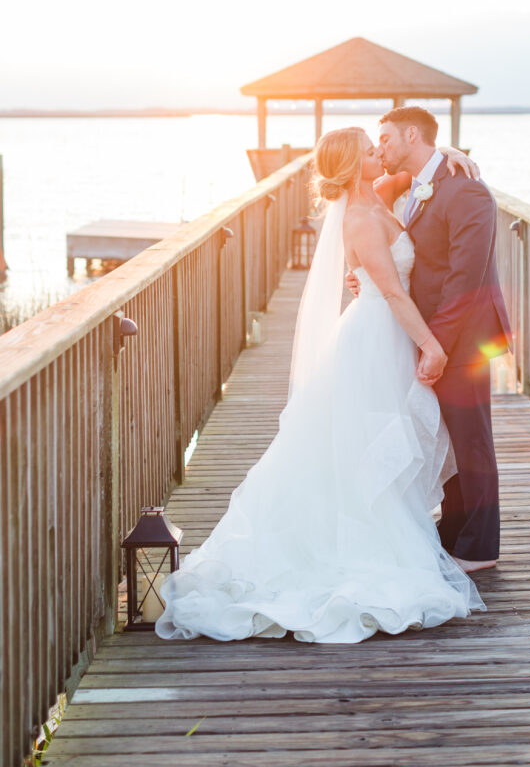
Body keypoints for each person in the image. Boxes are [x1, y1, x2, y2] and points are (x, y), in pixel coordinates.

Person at [155, 126, 485, 644]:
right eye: (371, 150)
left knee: (376, 440)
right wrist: (433, 346)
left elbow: (415, 170)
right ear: (355, 164)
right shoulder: (359, 218)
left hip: (385, 336)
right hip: (376, 337)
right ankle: (359, 542)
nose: (381, 153)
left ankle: (385, 522)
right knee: (361, 442)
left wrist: (448, 152)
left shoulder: (379, 196)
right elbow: (395, 295)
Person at [349, 106, 512, 573]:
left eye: (385, 139)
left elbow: (466, 280)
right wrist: (364, 275)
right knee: (448, 439)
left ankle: (481, 548)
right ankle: (454, 532)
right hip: (433, 334)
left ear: (411, 134)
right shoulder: (421, 185)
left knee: (472, 441)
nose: (380, 149)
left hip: (464, 337)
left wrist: (433, 345)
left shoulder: (468, 191)